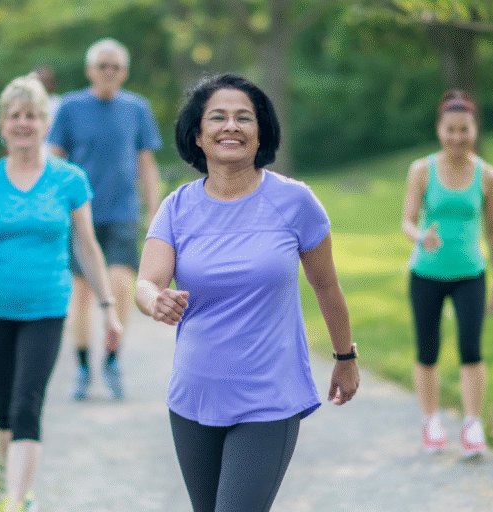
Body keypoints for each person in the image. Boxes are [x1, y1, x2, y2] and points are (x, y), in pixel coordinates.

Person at [135, 73, 359, 512]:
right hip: (193, 398)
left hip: (268, 399)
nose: (231, 126)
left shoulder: (295, 202)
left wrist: (345, 358)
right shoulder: (176, 207)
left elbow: (326, 285)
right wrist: (153, 300)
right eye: (217, 117)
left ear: (261, 134)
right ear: (198, 136)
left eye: (244, 118)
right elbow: (146, 282)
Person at [0, 75, 122, 512]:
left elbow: (87, 245)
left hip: (46, 306)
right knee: (4, 411)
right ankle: (18, 488)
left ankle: (16, 500)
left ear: (46, 123)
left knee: (27, 403)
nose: (23, 123)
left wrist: (109, 308)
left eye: (32, 115)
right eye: (15, 115)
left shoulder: (69, 179)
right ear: (2, 125)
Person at [47, 38, 163, 400]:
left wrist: (154, 212)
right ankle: (82, 366)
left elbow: (146, 165)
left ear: (124, 72)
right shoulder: (69, 108)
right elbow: (53, 159)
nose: (109, 72)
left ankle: (112, 358)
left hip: (122, 214)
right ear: (90, 70)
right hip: (80, 216)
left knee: (119, 287)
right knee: (81, 294)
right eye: (102, 66)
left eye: (115, 67)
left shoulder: (137, 109)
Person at [401, 90, 493, 457]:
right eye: (450, 129)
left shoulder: (486, 174)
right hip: (426, 273)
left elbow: (492, 230)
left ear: (474, 129)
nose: (457, 137)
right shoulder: (421, 170)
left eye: (464, 129)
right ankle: (430, 421)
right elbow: (408, 221)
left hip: (471, 274)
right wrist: (420, 237)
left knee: (471, 350)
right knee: (427, 350)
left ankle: (472, 424)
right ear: (439, 130)